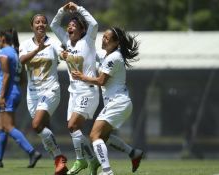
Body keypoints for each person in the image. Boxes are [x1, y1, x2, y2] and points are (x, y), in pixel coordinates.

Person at [71, 27, 144, 175]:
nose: (103, 39)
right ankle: (133, 153)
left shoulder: (113, 57)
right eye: (103, 36)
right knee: (103, 137)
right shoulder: (108, 55)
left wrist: (82, 77)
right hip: (119, 103)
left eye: (107, 38)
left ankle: (107, 171)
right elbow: (91, 55)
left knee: (94, 136)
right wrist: (70, 54)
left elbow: (101, 81)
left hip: (118, 102)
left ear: (116, 43)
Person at [50, 2, 100, 175]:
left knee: (73, 125)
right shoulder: (66, 41)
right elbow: (54, 25)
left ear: (81, 30)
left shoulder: (88, 40)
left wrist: (78, 8)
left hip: (88, 90)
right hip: (74, 92)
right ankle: (85, 160)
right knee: (72, 129)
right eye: (69, 25)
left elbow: (94, 24)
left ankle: (87, 160)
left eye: (74, 25)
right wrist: (62, 10)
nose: (70, 27)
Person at [19, 14, 68, 175]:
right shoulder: (25, 44)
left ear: (46, 25)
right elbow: (22, 60)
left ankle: (59, 158)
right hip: (32, 95)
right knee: (41, 129)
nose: (40, 24)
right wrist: (37, 50)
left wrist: (67, 55)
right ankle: (60, 161)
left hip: (50, 90)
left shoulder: (53, 43)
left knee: (36, 124)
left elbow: (64, 54)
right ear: (32, 25)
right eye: (37, 22)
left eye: (43, 22)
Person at [0, 28, 41, 168]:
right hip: (15, 91)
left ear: (3, 38)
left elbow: (6, 75)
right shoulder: (16, 53)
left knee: (8, 126)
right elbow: (22, 78)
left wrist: (2, 95)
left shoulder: (4, 52)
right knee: (1, 127)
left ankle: (32, 152)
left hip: (8, 93)